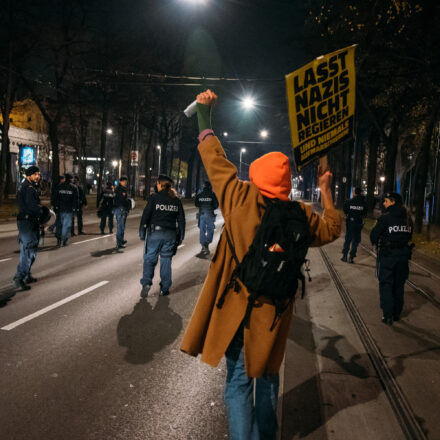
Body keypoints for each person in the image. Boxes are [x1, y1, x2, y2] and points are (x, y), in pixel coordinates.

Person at [180, 90, 341, 440]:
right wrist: (326, 191)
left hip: (238, 306)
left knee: (238, 381)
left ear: (257, 177)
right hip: (275, 310)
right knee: (267, 378)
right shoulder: (300, 214)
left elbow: (212, 156)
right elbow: (331, 229)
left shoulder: (239, 197)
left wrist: (206, 115)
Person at [139, 174, 186, 298]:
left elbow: (146, 215)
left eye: (157, 184)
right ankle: (165, 288)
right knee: (166, 261)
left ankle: (147, 283)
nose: (156, 185)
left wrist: (142, 232)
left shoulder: (154, 198)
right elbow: (181, 220)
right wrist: (181, 236)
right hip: (170, 235)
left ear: (160, 184)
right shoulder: (176, 200)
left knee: (149, 259)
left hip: (155, 234)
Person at [370, 192, 413, 325]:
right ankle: (396, 314)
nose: (384, 203)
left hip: (388, 256)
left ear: (393, 201)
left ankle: (387, 315)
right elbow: (409, 236)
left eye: (386, 201)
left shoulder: (385, 218)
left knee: (386, 284)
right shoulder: (407, 218)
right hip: (403, 256)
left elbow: (373, 236)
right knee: (399, 285)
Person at [13, 166, 43, 290]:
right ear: (30, 175)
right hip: (27, 222)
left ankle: (26, 274)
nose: (38, 176)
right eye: (36, 174)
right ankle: (19, 278)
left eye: (39, 174)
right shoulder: (29, 188)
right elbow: (32, 207)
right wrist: (42, 212)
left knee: (32, 249)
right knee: (28, 250)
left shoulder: (24, 185)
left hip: (27, 221)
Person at [341, 187, 367, 263]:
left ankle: (345, 256)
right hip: (358, 223)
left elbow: (345, 210)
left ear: (355, 193)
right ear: (361, 193)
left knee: (348, 239)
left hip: (350, 222)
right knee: (356, 240)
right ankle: (351, 257)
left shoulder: (349, 201)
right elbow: (365, 213)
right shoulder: (364, 203)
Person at [53, 173, 78, 247]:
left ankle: (58, 239)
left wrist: (55, 207)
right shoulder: (74, 188)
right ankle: (65, 240)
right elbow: (75, 200)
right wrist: (74, 209)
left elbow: (55, 198)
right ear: (71, 179)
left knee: (59, 225)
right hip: (68, 209)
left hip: (60, 209)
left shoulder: (59, 187)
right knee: (66, 225)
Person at [195, 180, 218, 256]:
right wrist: (211, 207)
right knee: (210, 229)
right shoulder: (212, 194)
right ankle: (206, 243)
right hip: (210, 214)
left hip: (202, 214)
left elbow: (196, 204)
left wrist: (202, 206)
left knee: (202, 230)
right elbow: (216, 205)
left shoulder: (199, 194)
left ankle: (203, 245)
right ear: (209, 186)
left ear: (203, 186)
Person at [114, 176, 131, 248]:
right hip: (120, 208)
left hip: (121, 208)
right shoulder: (120, 189)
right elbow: (122, 200)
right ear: (121, 181)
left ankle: (121, 240)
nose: (125, 183)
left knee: (122, 226)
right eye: (124, 181)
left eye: (126, 181)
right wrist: (128, 203)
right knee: (120, 226)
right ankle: (119, 243)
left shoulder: (120, 189)